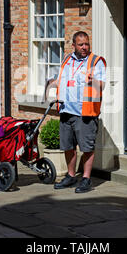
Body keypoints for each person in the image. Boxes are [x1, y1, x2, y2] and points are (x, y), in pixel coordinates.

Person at [46, 31, 106, 193]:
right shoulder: (66, 60)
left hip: (85, 113)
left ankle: (86, 178)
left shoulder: (96, 61)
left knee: (87, 147)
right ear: (73, 45)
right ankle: (71, 176)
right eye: (81, 44)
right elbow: (61, 80)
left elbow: (102, 85)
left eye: (86, 44)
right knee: (68, 146)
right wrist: (51, 83)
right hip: (66, 111)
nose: (84, 47)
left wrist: (93, 81)